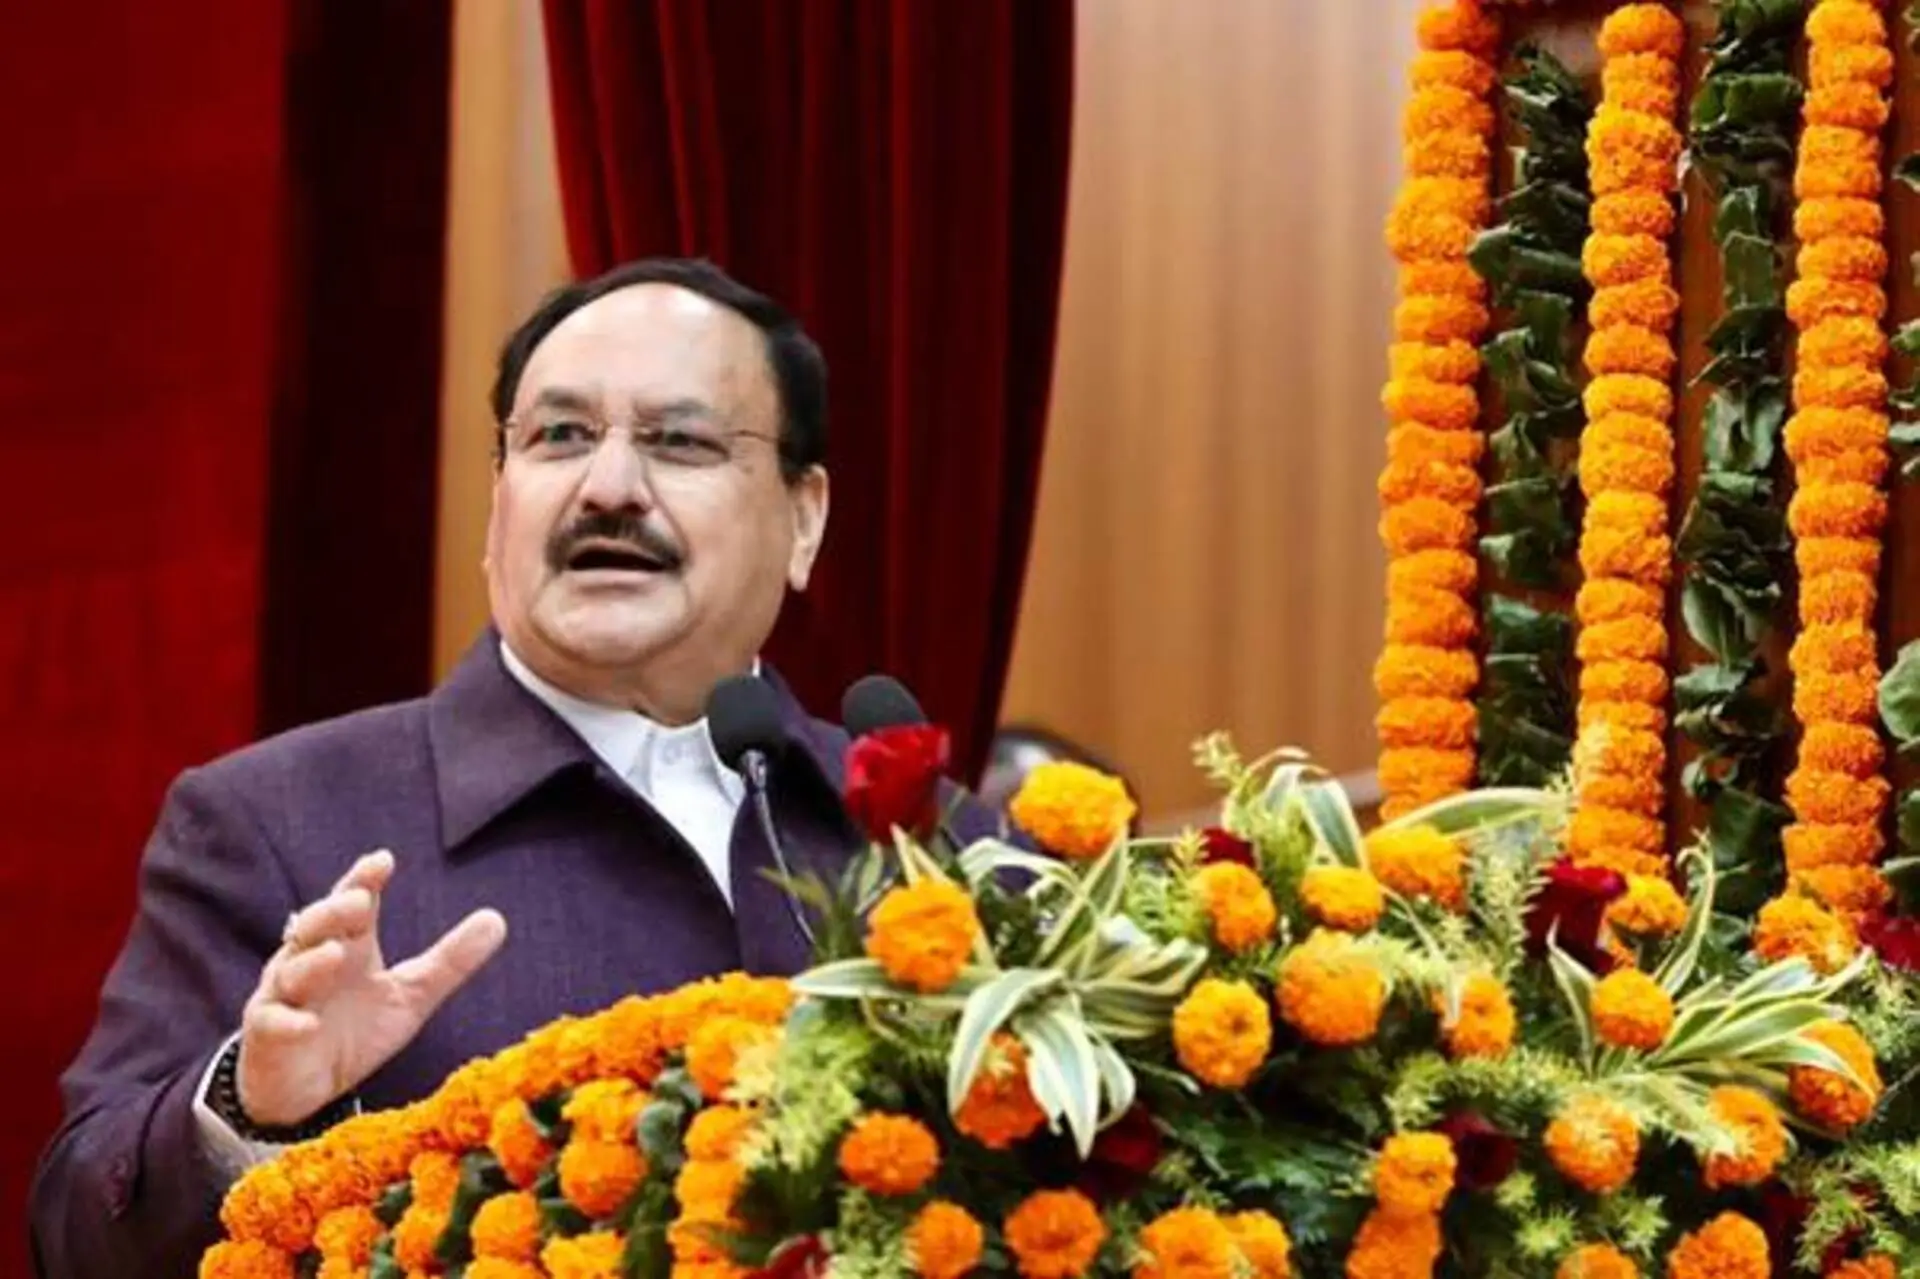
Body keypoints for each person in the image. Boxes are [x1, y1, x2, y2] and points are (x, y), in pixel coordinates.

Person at [30, 258, 987, 1279]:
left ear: (803, 519)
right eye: (559, 436)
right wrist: (248, 1107)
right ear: (499, 502)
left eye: (680, 441)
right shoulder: (280, 821)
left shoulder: (949, 849)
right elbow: (76, 1242)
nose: (607, 488)